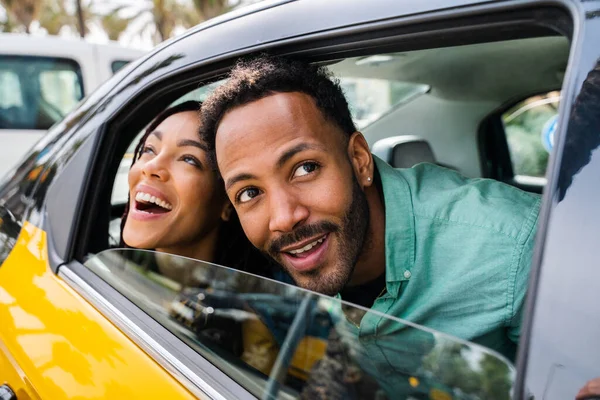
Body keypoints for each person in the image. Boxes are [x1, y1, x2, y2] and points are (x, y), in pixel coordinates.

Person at [199, 55, 541, 364]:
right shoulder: (261, 274)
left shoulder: (512, 244)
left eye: (305, 168)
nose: (284, 218)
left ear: (359, 160)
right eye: (249, 192)